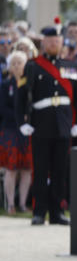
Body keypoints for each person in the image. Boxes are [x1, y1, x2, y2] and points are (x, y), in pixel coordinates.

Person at [14, 24, 77, 226]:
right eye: (50, 41)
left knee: (60, 171)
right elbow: (21, 98)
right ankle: (39, 211)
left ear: (61, 43)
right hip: (40, 125)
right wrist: (22, 123)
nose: (54, 44)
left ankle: (57, 212)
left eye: (57, 41)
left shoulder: (71, 65)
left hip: (63, 125)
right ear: (44, 43)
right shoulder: (32, 66)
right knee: (41, 170)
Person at [0, 50, 31, 213]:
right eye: (14, 63)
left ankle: (23, 203)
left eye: (20, 62)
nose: (17, 65)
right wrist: (20, 117)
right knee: (11, 169)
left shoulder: (29, 84)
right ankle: (11, 204)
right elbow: (3, 108)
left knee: (27, 169)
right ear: (9, 67)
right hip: (10, 129)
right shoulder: (5, 85)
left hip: (26, 131)